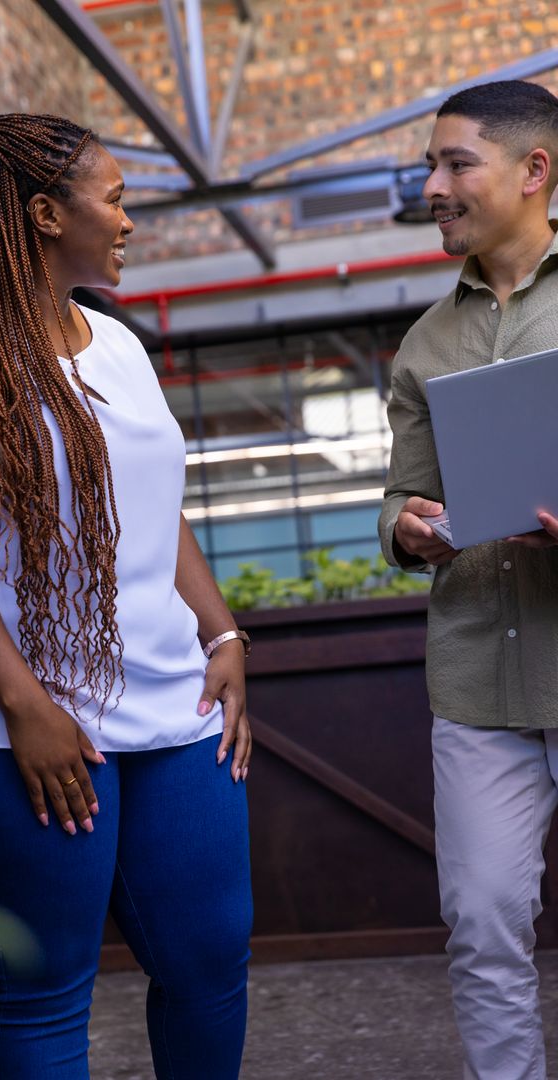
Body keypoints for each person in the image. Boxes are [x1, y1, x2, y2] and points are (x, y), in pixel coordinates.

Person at [0, 113, 253, 1080]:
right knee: (46, 991)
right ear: (46, 214)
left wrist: (222, 632)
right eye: (115, 200)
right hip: (4, 712)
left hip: (164, 696)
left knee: (210, 960)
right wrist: (24, 703)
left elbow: (151, 506)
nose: (129, 221)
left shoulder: (118, 347)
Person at [378, 80, 558, 1080]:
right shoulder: (425, 344)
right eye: (431, 166)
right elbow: (402, 496)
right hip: (478, 683)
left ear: (534, 171)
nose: (434, 187)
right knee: (483, 928)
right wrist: (407, 529)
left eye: (456, 164)